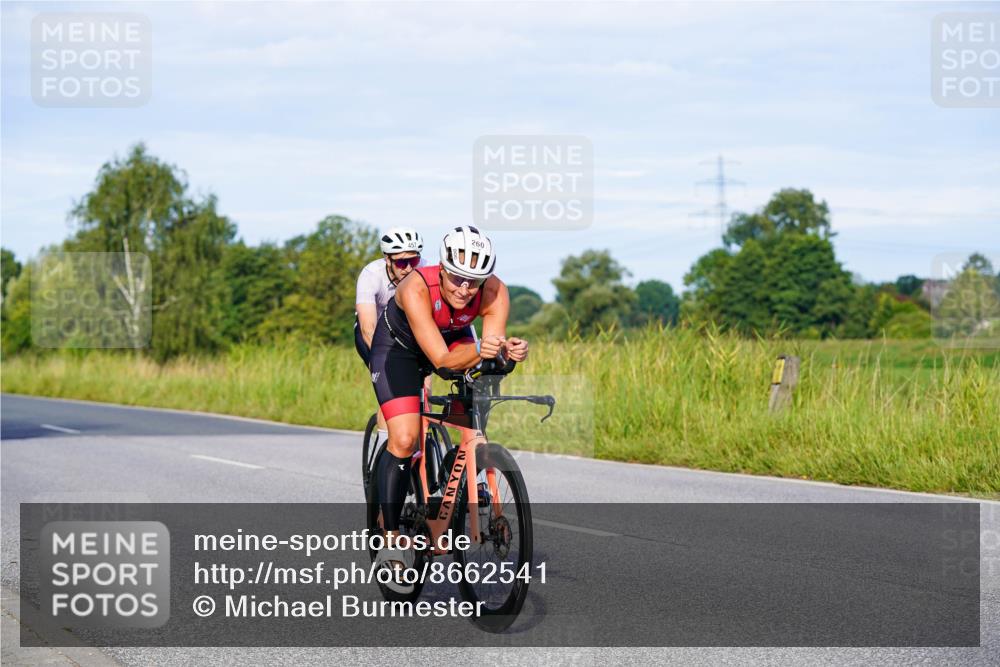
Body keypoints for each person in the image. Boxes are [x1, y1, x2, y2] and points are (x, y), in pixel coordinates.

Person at [368, 225, 529, 592]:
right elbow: (440, 359)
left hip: (455, 339)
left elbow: (490, 352)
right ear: (441, 269)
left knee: (476, 409)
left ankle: (451, 488)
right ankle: (392, 539)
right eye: (457, 278)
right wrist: (486, 348)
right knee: (406, 439)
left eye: (474, 282)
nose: (464, 289)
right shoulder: (415, 287)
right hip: (401, 350)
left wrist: (510, 352)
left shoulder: (494, 291)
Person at [355, 227, 425, 446]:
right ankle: (383, 460)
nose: (409, 268)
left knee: (425, 393)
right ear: (388, 259)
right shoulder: (371, 275)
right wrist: (386, 363)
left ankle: (420, 458)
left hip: (407, 335)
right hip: (375, 335)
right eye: (402, 263)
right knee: (393, 393)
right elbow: (368, 328)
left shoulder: (422, 271)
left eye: (413, 261)